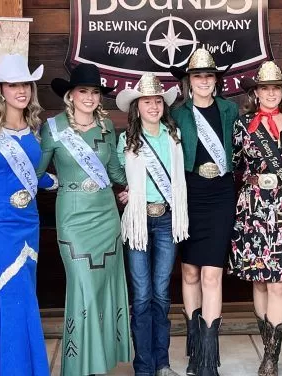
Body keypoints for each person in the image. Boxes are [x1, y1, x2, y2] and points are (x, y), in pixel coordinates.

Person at [36, 63, 131, 376]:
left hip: (106, 219)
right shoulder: (53, 129)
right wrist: (60, 183)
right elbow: (35, 174)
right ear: (70, 95)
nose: (89, 97)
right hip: (74, 221)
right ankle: (78, 366)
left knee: (104, 288)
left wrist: (137, 187)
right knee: (84, 287)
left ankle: (100, 363)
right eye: (83, 91)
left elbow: (115, 171)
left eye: (94, 92)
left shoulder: (107, 128)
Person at [0, 54, 56, 375]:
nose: (22, 90)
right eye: (13, 84)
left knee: (20, 297)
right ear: (0, 90)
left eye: (26, 84)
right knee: (13, 294)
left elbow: (33, 173)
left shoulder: (35, 128)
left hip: (27, 221)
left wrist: (55, 181)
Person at [228, 61, 282, 376]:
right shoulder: (242, 125)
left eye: (276, 87)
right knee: (259, 282)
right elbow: (234, 162)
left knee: (278, 282)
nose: (271, 92)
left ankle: (271, 358)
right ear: (256, 92)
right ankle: (267, 349)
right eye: (265, 88)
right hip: (252, 206)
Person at [169, 48, 239, 376]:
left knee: (212, 273)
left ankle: (209, 357)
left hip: (221, 195)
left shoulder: (229, 110)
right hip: (190, 194)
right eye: (198, 76)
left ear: (216, 80)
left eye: (209, 76)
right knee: (189, 273)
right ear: (189, 81)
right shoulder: (178, 113)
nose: (203, 81)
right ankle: (194, 348)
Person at [115, 72, 187, 376]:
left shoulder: (174, 137)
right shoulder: (126, 140)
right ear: (137, 106)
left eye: (158, 100)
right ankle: (144, 366)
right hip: (138, 222)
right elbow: (116, 172)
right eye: (147, 101)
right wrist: (125, 190)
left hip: (167, 219)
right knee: (142, 295)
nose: (153, 106)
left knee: (161, 293)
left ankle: (163, 363)